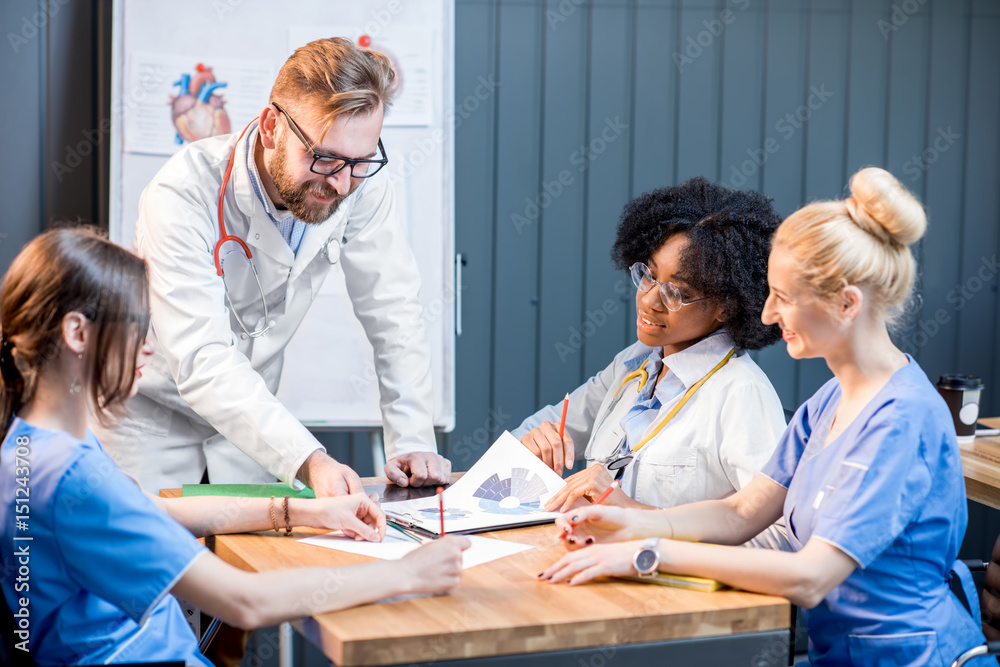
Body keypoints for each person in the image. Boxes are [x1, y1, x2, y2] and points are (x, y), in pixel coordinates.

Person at [540, 168, 988, 666]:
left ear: (847, 303)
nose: (768, 314)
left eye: (785, 297)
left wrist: (647, 553)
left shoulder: (902, 420)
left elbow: (810, 576)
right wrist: (627, 522)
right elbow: (741, 513)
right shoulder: (831, 401)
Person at [0, 228, 470, 665]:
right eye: (137, 326)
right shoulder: (70, 475)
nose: (149, 347)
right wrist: (408, 573)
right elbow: (245, 601)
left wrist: (304, 511)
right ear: (77, 332)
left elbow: (150, 512)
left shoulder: (30, 448)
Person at [91, 37, 449, 497]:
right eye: (323, 158)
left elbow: (394, 311)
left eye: (360, 163)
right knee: (150, 563)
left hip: (250, 435)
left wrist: (413, 439)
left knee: (254, 562)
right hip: (151, 423)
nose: (340, 184)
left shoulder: (359, 185)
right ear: (271, 128)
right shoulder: (181, 193)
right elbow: (202, 359)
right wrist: (310, 459)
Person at [513, 178, 788, 549]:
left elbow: (780, 536)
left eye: (678, 292)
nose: (649, 301)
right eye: (649, 275)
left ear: (728, 306)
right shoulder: (634, 364)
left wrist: (633, 512)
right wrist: (532, 447)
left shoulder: (741, 393)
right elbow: (530, 437)